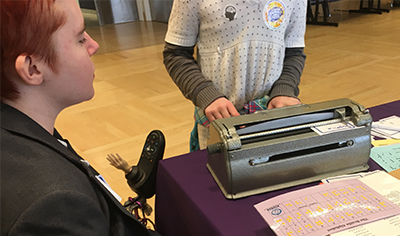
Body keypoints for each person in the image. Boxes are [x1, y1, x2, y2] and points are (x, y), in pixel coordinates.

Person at [0, 0, 159, 235]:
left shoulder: (21, 130)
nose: (93, 45)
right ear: (33, 68)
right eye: (80, 38)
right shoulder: (54, 206)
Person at [163, 0, 307, 151]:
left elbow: (293, 52)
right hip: (217, 119)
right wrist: (205, 94)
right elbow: (176, 54)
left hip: (272, 116)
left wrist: (285, 89)